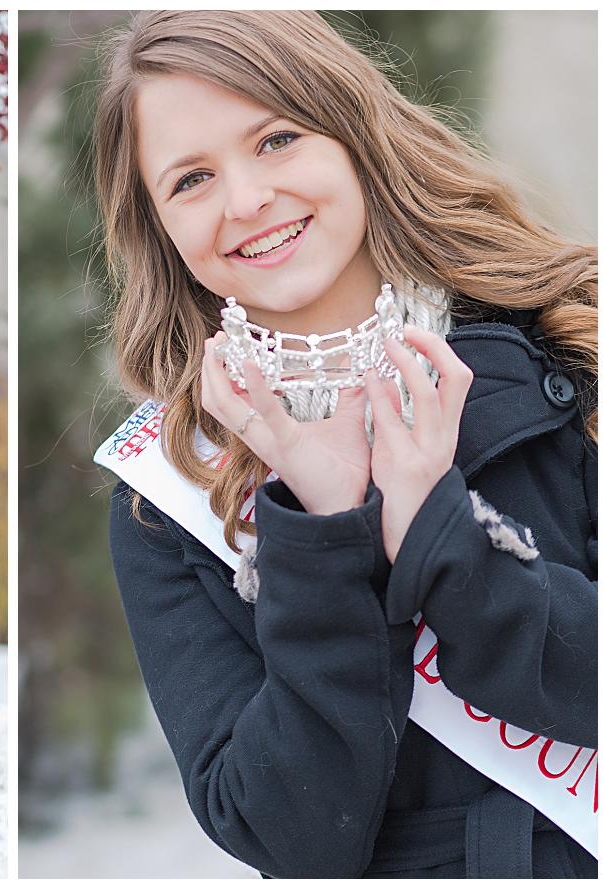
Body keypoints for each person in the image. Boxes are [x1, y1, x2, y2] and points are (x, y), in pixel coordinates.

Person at [93, 11, 596, 879]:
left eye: (277, 139)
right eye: (190, 179)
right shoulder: (164, 498)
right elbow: (284, 833)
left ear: (352, 133)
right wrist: (323, 530)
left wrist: (436, 531)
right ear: (158, 228)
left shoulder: (572, 342)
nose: (245, 199)